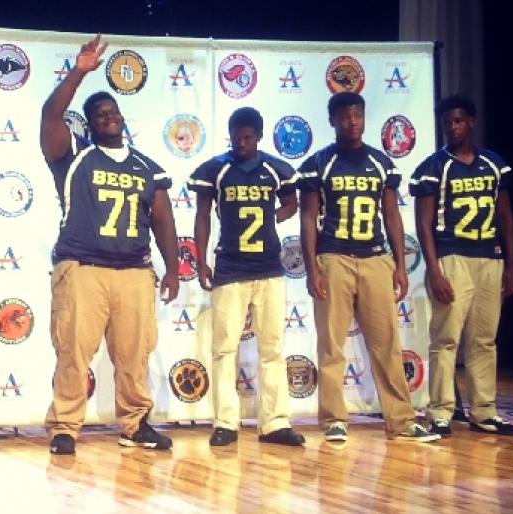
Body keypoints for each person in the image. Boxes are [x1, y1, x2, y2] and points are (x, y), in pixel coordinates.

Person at [41, 35, 180, 455]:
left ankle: (135, 424)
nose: (108, 117)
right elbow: (50, 113)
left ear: (122, 118)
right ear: (88, 123)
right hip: (83, 267)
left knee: (134, 355)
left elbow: (163, 220)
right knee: (73, 353)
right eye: (99, 115)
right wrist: (80, 71)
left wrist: (173, 268)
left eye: (113, 112)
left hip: (135, 271)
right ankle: (65, 427)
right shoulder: (73, 157)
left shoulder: (147, 168)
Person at [297, 92, 438, 443]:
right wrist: (313, 268)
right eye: (345, 117)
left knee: (387, 342)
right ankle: (334, 419)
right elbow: (308, 216)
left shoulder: (380, 162)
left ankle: (402, 420)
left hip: (376, 257)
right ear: (332, 121)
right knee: (332, 345)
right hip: (334, 258)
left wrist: (400, 265)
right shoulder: (319, 163)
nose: (352, 122)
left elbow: (391, 215)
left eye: (358, 115)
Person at [189, 107, 305, 447]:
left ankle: (274, 422)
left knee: (272, 347)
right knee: (224, 348)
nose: (241, 143)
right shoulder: (216, 169)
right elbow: (202, 215)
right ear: (230, 135)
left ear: (258, 136)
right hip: (230, 266)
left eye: (248, 137)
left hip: (269, 267)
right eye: (236, 137)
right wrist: (200, 259)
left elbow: (291, 203)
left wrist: (271, 217)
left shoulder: (275, 169)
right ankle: (226, 421)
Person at [409, 94, 513, 437]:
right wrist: (435, 268)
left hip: (490, 256)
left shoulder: (493, 163)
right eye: (446, 123)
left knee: (484, 339)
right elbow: (424, 223)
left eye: (458, 121)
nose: (452, 128)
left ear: (471, 121)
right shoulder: (433, 167)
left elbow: (505, 216)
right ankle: (441, 411)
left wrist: (512, 265)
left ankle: (484, 410)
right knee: (446, 339)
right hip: (452, 255)